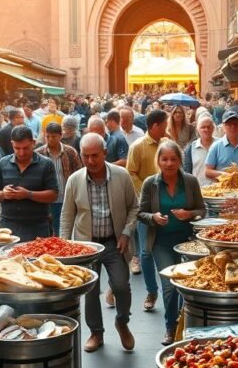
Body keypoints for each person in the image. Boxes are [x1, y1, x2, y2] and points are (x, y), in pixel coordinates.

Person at [60, 133, 138, 352]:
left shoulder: (121, 176)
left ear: (105, 153)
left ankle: (122, 322)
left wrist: (126, 233)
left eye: (95, 155)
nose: (91, 161)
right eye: (86, 156)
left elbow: (134, 207)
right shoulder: (75, 180)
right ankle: (96, 332)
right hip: (86, 247)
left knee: (122, 286)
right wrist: (66, 247)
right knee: (91, 292)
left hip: (115, 243)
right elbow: (67, 216)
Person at [138, 140, 206, 345]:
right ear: (158, 160)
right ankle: (170, 327)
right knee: (169, 286)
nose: (168, 163)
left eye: (173, 159)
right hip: (161, 241)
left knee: (186, 285)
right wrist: (154, 218)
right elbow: (140, 213)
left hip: (187, 242)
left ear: (180, 160)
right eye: (164, 159)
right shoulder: (151, 183)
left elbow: (202, 210)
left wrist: (189, 214)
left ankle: (185, 325)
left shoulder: (191, 182)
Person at [126, 110, 169, 309]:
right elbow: (131, 173)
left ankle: (170, 292)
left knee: (168, 248)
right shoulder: (137, 147)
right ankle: (152, 292)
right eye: (164, 124)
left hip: (169, 204)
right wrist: (149, 190)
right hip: (145, 208)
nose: (166, 127)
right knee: (146, 252)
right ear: (155, 126)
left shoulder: (167, 144)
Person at [0, 126, 59, 240]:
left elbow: (53, 195)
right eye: (17, 148)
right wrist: (3, 194)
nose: (21, 153)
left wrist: (28, 194)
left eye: (25, 148)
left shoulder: (46, 164)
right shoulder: (3, 163)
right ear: (12, 143)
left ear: (33, 142)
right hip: (8, 227)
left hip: (37, 226)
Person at [35, 122, 82, 237]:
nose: (50, 139)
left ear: (61, 136)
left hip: (67, 198)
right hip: (48, 200)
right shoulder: (38, 154)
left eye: (54, 136)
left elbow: (79, 173)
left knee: (66, 230)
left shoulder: (70, 152)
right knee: (49, 231)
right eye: (48, 136)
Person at [205, 110, 238, 181]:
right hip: (223, 190)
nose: (233, 126)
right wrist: (224, 175)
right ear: (223, 126)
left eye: (235, 123)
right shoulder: (216, 146)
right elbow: (207, 171)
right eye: (229, 124)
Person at [182, 113, 216, 187]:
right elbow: (187, 172)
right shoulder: (190, 148)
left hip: (220, 191)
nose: (206, 129)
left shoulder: (220, 145)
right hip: (197, 191)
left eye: (209, 127)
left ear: (213, 128)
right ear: (198, 129)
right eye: (203, 127)